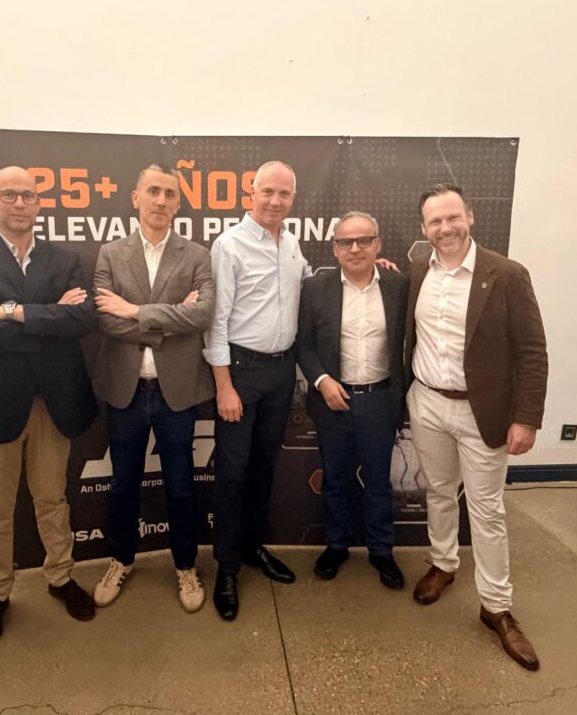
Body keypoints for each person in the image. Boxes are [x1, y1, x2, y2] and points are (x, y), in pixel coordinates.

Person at [0, 166, 98, 651]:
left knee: (52, 498)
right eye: (8, 194)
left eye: (28, 195)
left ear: (39, 203)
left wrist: (10, 311)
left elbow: (81, 319)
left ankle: (60, 577)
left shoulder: (65, 257)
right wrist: (49, 316)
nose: (19, 203)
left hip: (53, 400)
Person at [405, 183, 548, 671]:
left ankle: (496, 607)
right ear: (424, 228)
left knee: (487, 510)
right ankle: (444, 563)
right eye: (435, 221)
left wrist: (526, 417)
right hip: (426, 402)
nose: (445, 228)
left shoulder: (506, 274)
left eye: (452, 218)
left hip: (482, 412)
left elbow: (532, 351)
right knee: (439, 491)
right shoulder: (417, 271)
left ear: (470, 216)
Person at [90, 163, 215, 612]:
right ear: (136, 198)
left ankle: (185, 566)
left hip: (176, 392)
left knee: (180, 486)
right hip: (126, 390)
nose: (161, 200)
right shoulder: (111, 253)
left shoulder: (197, 255)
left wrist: (134, 311)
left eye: (170, 194)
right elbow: (105, 319)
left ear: (178, 204)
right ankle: (121, 559)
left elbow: (203, 315)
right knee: (122, 484)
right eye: (154, 191)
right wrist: (170, 316)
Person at [203, 160, 311, 620]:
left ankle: (252, 547)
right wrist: (224, 387)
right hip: (240, 373)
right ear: (251, 193)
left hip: (281, 372)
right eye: (267, 191)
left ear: (293, 199)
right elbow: (216, 321)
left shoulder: (292, 243)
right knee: (232, 473)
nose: (275, 201)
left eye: (284, 194)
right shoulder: (229, 245)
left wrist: (373, 269)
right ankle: (226, 568)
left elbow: (312, 288)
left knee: (264, 468)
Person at [296, 211, 409, 588]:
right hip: (333, 400)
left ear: (378, 245)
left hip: (380, 399)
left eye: (364, 240)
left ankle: (381, 550)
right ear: (335, 248)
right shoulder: (316, 288)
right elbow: (303, 345)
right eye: (346, 242)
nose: (355, 248)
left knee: (378, 481)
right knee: (334, 479)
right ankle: (337, 545)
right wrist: (321, 380)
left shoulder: (399, 285)